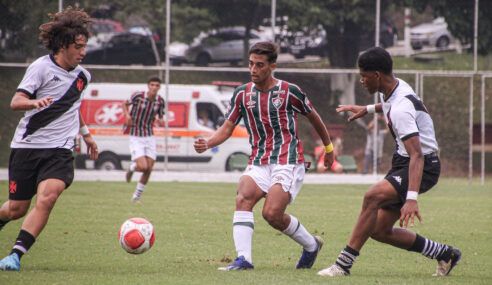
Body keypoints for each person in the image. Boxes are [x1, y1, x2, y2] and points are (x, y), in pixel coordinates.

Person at [318, 47, 461, 277]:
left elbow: (417, 155)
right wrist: (366, 109)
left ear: (377, 75)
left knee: (371, 196)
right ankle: (445, 253)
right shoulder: (396, 87)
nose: (362, 81)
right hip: (405, 162)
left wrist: (411, 198)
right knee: (379, 230)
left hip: (422, 167)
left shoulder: (402, 109)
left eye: (364, 76)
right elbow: (389, 105)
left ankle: (342, 265)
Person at [194, 41, 334, 271]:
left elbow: (314, 117)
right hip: (259, 159)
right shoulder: (242, 94)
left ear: (272, 66)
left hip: (288, 159)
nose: (253, 70)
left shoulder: (290, 91)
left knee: (272, 214)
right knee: (243, 197)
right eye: (251, 64)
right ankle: (244, 260)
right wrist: (208, 142)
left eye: (259, 65)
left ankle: (311, 245)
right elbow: (227, 128)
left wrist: (328, 149)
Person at [0, 7, 98, 271]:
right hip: (27, 147)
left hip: (61, 150)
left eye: (84, 46)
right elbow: (15, 101)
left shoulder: (82, 77)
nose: (83, 52)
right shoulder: (40, 68)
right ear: (63, 45)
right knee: (16, 209)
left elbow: (73, 108)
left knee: (48, 197)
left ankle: (15, 255)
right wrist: (34, 102)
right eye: (78, 46)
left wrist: (87, 136)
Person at [123, 76, 165, 202]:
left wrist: (160, 121)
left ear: (159, 87)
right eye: (152, 85)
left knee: (149, 168)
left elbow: (160, 116)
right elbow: (124, 104)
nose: (154, 87)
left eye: (157, 85)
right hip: (136, 135)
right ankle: (132, 168)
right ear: (148, 86)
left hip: (149, 136)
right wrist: (127, 116)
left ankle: (137, 196)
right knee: (142, 167)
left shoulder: (160, 101)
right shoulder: (138, 96)